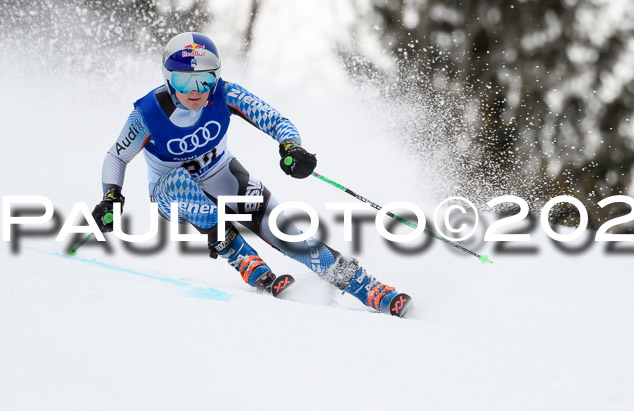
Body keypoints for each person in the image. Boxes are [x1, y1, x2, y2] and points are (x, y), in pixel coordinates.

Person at [92, 32, 411, 317]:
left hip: (224, 176)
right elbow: (116, 156)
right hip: (171, 195)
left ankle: (369, 289)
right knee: (183, 187)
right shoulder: (147, 114)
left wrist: (291, 147)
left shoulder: (226, 94)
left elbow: (276, 120)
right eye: (183, 81)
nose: (195, 91)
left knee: (292, 237)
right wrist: (111, 199)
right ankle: (239, 253)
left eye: (204, 80)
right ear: (167, 78)